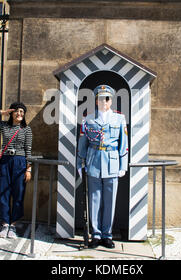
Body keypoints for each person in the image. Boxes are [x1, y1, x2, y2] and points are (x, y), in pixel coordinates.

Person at [77, 85, 128, 249]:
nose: (103, 101)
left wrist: (123, 165)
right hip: (93, 163)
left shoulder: (119, 119)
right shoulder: (88, 119)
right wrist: (80, 163)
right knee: (94, 200)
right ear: (96, 100)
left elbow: (124, 144)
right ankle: (96, 235)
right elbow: (83, 144)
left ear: (111, 100)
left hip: (112, 163)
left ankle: (107, 235)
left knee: (110, 201)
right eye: (100, 98)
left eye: (106, 98)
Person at [0, 102, 32, 239]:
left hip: (20, 162)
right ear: (12, 113)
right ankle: (5, 224)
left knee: (18, 193)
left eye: (22, 112)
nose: (19, 114)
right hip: (5, 161)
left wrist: (29, 169)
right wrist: (0, 113)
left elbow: (28, 150)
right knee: (4, 192)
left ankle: (13, 225)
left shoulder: (27, 129)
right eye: (17, 111)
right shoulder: (5, 126)